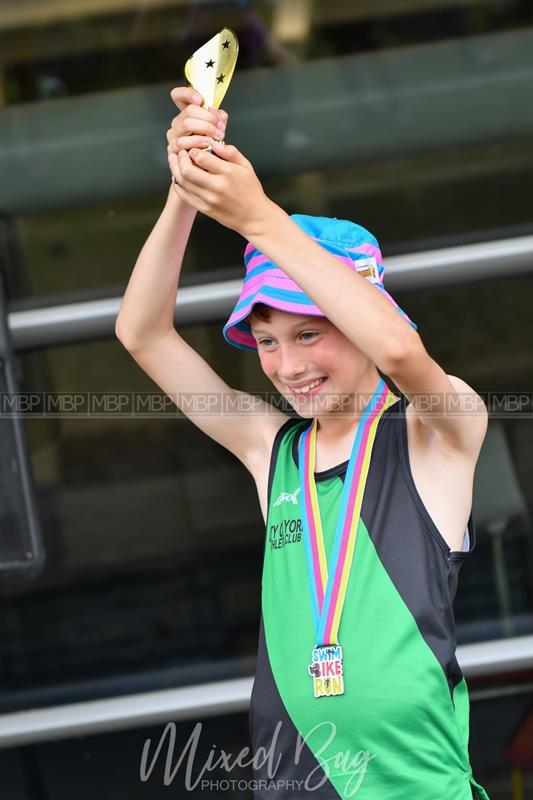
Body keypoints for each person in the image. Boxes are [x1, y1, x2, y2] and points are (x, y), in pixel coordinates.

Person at [115, 86, 490, 799]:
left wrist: (258, 217)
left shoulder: (436, 431)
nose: (288, 367)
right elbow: (142, 334)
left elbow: (399, 352)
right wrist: (187, 187)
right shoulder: (271, 450)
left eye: (309, 332)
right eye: (265, 342)